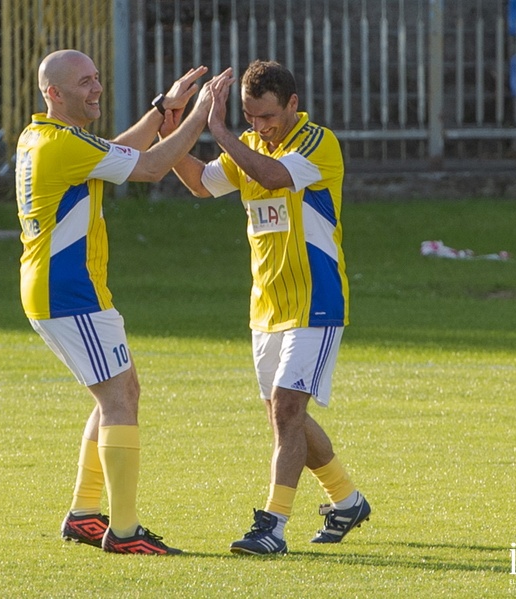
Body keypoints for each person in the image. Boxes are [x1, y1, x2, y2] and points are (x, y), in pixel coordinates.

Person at [15, 49, 232, 555]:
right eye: (84, 83)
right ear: (54, 93)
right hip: (69, 292)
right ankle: (125, 532)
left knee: (120, 392)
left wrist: (161, 109)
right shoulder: (60, 146)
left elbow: (116, 154)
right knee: (119, 399)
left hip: (63, 289)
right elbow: (153, 168)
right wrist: (200, 114)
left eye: (97, 79)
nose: (96, 90)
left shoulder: (45, 136)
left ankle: (85, 514)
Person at [169, 60, 371, 554]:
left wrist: (218, 129)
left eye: (267, 117)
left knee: (286, 410)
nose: (259, 127)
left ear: (293, 105)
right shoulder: (249, 145)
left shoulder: (315, 143)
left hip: (314, 302)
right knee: (287, 418)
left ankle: (272, 527)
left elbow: (276, 177)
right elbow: (200, 183)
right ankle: (346, 500)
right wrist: (175, 127)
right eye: (249, 117)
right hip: (266, 307)